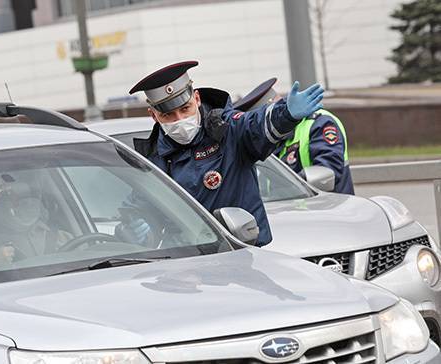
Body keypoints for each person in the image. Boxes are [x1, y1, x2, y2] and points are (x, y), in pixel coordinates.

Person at [123, 61, 324, 246]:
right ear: (153, 115)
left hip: (245, 251)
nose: (180, 120)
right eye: (168, 115)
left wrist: (285, 114)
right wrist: (134, 230)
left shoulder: (227, 130)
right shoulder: (152, 159)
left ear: (197, 98)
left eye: (185, 109)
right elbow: (141, 214)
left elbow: (254, 126)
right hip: (189, 266)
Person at [236, 78, 354, 194]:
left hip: (330, 208)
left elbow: (328, 171)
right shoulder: (264, 143)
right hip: (289, 210)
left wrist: (291, 187)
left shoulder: (319, 123)